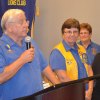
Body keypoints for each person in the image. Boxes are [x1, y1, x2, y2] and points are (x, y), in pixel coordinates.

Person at [0, 9, 60, 100]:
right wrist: (22, 60)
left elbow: (44, 67)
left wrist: (60, 88)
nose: (26, 25)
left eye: (26, 21)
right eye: (21, 22)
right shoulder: (1, 47)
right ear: (9, 27)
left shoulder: (30, 41)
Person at [49, 18, 93, 100]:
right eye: (69, 32)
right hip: (69, 95)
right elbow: (63, 78)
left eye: (75, 31)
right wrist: (80, 93)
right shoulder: (57, 52)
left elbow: (89, 70)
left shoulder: (82, 49)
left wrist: (90, 90)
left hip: (86, 94)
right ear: (63, 34)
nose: (72, 34)